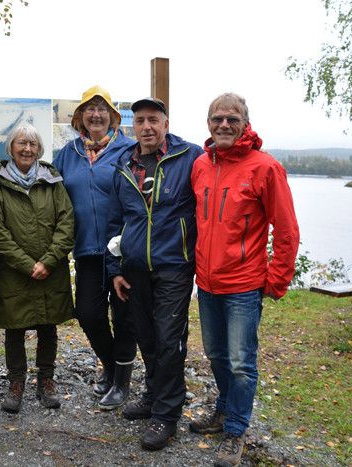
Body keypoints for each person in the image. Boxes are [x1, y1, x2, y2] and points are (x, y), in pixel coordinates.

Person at [189, 93, 300, 466]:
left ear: (245, 123)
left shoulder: (265, 168)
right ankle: (223, 410)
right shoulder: (202, 165)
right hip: (206, 283)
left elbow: (286, 230)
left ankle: (235, 430)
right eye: (217, 118)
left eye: (231, 119)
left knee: (240, 362)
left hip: (243, 285)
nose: (223, 125)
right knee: (216, 355)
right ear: (208, 123)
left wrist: (277, 279)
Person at [106, 97, 203, 450]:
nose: (146, 126)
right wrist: (115, 266)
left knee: (168, 339)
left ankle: (166, 415)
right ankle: (152, 396)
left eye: (154, 120)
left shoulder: (190, 157)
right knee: (145, 335)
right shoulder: (123, 162)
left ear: (165, 123)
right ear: (134, 124)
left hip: (173, 265)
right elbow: (117, 221)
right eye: (140, 120)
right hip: (134, 266)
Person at [52, 85, 138, 409]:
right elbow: (51, 197)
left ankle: (121, 384)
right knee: (88, 313)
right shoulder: (67, 154)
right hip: (87, 249)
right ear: (80, 117)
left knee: (124, 316)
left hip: (124, 250)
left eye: (103, 108)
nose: (96, 114)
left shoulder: (128, 150)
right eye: (90, 108)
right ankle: (113, 366)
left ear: (113, 116)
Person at [0, 122, 74, 414]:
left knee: (48, 327)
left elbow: (66, 222)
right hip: (14, 271)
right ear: (10, 147)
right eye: (21, 143)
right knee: (15, 328)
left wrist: (48, 261)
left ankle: (46, 380)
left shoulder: (52, 181)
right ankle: (16, 383)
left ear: (40, 149)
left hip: (51, 269)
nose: (27, 149)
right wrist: (28, 265)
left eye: (32, 144)